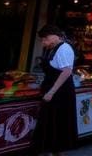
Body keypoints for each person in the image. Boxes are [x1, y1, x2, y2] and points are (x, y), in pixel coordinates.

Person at [33, 25, 77, 156]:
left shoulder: (64, 49)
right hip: (53, 89)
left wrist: (52, 92)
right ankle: (51, 151)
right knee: (51, 122)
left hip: (60, 92)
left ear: (53, 36)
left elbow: (66, 71)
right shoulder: (52, 49)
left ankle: (58, 152)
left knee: (58, 122)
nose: (43, 43)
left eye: (44, 39)